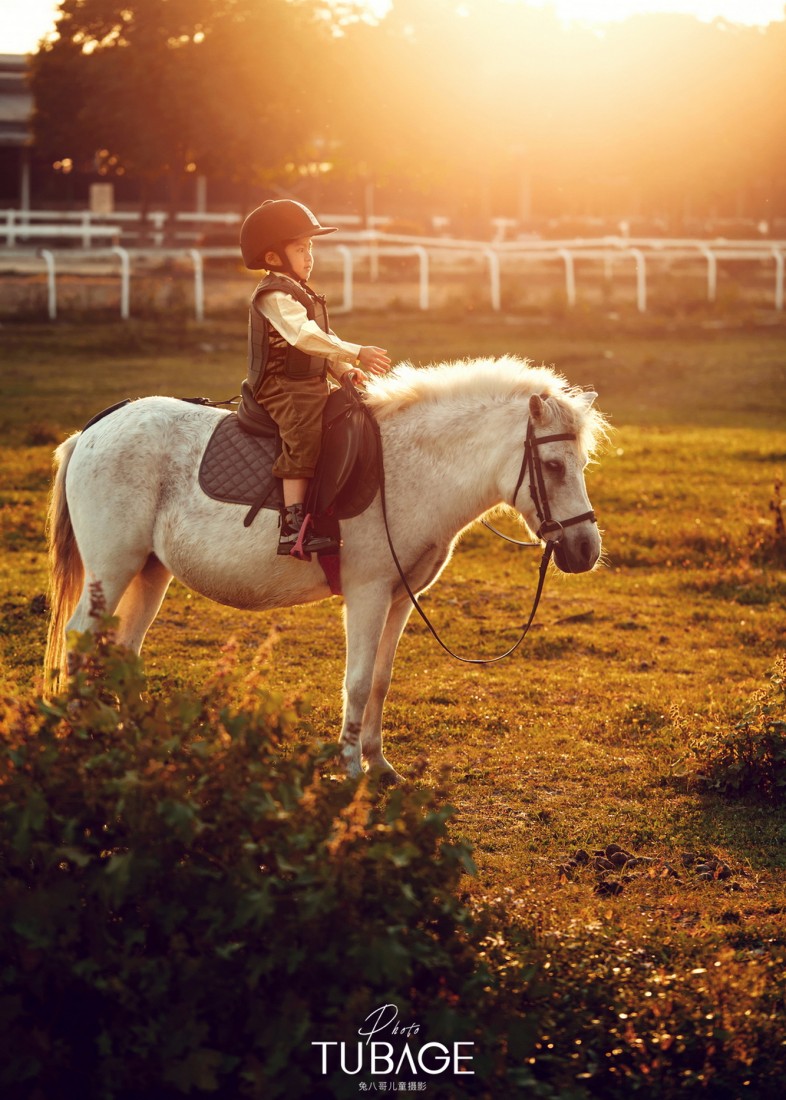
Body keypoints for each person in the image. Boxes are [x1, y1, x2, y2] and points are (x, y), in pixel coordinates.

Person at [239, 199, 391, 557]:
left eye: (310, 248)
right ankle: (291, 526)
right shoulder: (274, 294)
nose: (309, 256)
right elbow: (303, 336)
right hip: (280, 386)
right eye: (299, 248)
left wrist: (342, 369)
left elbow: (323, 340)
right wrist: (356, 352)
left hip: (309, 381)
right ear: (274, 257)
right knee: (304, 432)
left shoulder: (301, 291)